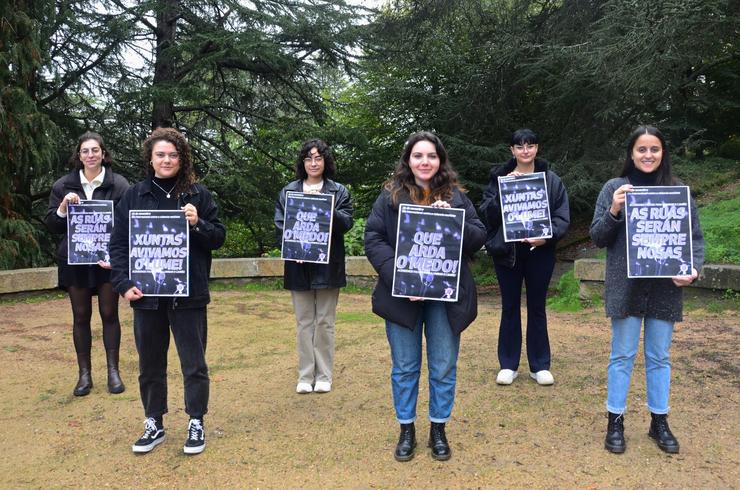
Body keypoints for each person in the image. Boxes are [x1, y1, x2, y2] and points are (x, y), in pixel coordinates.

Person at [364, 132, 486, 462]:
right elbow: (373, 239)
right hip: (403, 297)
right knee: (404, 367)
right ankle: (407, 429)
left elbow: (479, 235)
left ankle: (438, 429)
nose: (425, 162)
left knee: (443, 366)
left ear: (440, 160)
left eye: (431, 156)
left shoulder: (457, 197)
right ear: (408, 160)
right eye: (418, 156)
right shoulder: (389, 197)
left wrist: (454, 222)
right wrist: (401, 277)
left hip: (445, 298)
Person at [109, 128, 225, 455]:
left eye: (173, 155)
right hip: (146, 296)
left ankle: (196, 420)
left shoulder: (198, 195)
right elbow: (118, 244)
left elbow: (218, 237)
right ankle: (154, 422)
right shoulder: (133, 196)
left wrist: (198, 223)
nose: (167, 160)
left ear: (182, 158)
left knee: (194, 363)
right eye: (160, 154)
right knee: (150, 364)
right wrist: (123, 283)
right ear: (151, 158)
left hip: (189, 295)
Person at [590, 125, 704, 455]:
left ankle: (659, 421)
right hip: (626, 287)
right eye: (642, 149)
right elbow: (598, 236)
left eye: (654, 149)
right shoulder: (615, 188)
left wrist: (693, 269)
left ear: (663, 153)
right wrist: (613, 210)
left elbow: (694, 239)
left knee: (659, 357)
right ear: (631, 153)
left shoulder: (678, 190)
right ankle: (615, 421)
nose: (648, 155)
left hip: (664, 289)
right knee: (622, 355)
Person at [479, 129, 570, 386]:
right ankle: (508, 364)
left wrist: (547, 237)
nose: (525, 150)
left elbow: (562, 216)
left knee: (537, 307)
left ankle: (539, 365)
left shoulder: (551, 180)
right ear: (512, 150)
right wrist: (503, 187)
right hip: (508, 253)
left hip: (540, 251)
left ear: (537, 148)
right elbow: (488, 214)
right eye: (519, 146)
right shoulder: (499, 177)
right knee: (509, 307)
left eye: (530, 145)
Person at [45, 132, 130, 396]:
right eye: (85, 151)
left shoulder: (119, 184)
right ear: (78, 155)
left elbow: (128, 222)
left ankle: (113, 372)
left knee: (109, 314)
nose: (90, 155)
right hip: (75, 260)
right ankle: (84, 375)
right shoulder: (63, 185)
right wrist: (62, 208)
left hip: (106, 261)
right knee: (81, 316)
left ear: (104, 154)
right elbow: (52, 225)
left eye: (95, 150)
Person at [274, 139, 354, 394]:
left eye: (318, 158)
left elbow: (347, 222)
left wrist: (325, 206)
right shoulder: (288, 191)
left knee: (325, 322)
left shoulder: (338, 191)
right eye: (309, 158)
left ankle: (324, 376)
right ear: (302, 162)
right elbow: (279, 226)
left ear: (325, 161)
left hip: (328, 267)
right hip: (298, 267)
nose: (313, 163)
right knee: (304, 322)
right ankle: (305, 375)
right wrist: (293, 247)